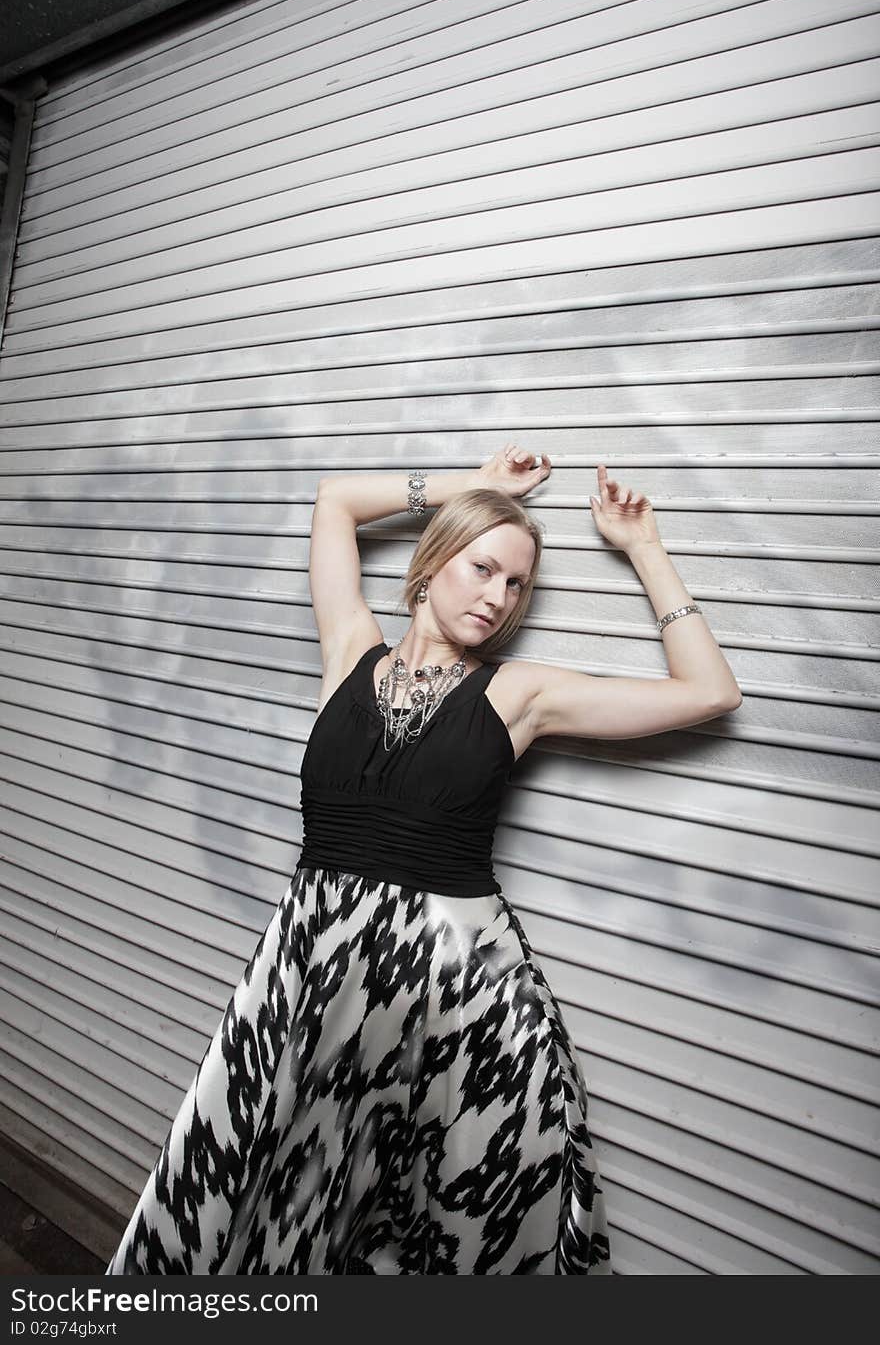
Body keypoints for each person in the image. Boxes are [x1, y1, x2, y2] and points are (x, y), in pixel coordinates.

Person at [105, 443, 742, 1275]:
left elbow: (710, 693)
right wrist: (478, 487)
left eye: (516, 585)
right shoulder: (350, 652)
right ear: (435, 560)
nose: (498, 597)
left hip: (453, 989)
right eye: (482, 568)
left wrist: (645, 548)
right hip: (317, 973)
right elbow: (335, 500)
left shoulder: (518, 694)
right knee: (284, 1178)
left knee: (429, 1210)